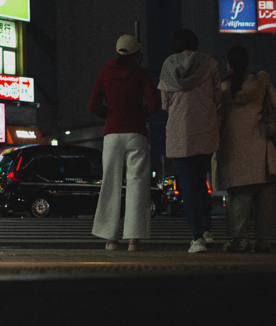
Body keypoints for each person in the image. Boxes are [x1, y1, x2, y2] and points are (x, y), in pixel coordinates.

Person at [89, 34, 161, 252]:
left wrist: (110, 114)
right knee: (137, 184)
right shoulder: (141, 74)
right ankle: (133, 239)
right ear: (136, 53)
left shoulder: (105, 73)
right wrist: (139, 114)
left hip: (112, 134)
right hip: (136, 133)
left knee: (110, 184)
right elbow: (154, 104)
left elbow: (93, 105)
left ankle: (110, 239)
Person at [217, 46, 276, 252]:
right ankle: (263, 240)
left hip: (234, 148)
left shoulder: (223, 88)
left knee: (239, 195)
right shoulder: (261, 82)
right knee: (265, 195)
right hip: (260, 146)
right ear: (247, 64)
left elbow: (216, 117)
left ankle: (240, 239)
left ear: (229, 66)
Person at [158, 29, 222, 254]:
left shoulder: (168, 65)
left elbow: (164, 103)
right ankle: (207, 231)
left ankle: (197, 238)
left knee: (188, 187)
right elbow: (217, 97)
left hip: (179, 133)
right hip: (205, 130)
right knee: (201, 182)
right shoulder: (210, 64)